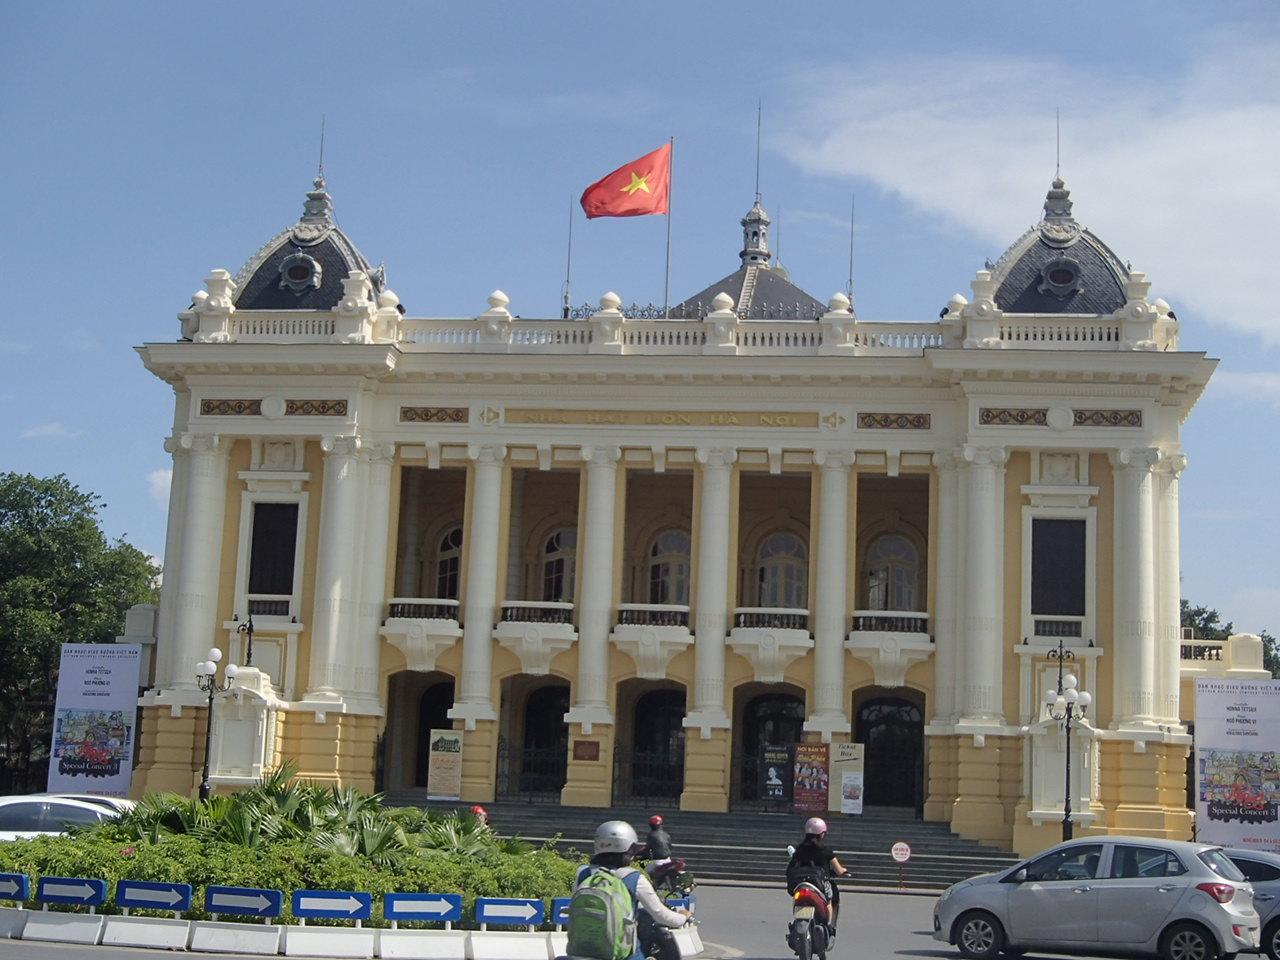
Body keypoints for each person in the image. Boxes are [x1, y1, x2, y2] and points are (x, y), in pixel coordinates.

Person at [578, 820, 689, 960]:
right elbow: (660, 914)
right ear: (629, 847)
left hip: (582, 950)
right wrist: (683, 917)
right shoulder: (633, 878)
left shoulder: (583, 873)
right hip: (621, 954)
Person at [785, 816, 848, 932]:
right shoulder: (825, 850)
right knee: (830, 899)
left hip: (801, 882)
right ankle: (829, 926)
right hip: (819, 882)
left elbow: (791, 866)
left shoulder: (799, 849)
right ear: (822, 834)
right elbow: (838, 870)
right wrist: (844, 871)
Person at [644, 814, 675, 882]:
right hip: (668, 860)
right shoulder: (666, 835)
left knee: (644, 874)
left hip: (657, 861)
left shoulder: (651, 835)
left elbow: (647, 848)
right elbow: (670, 847)